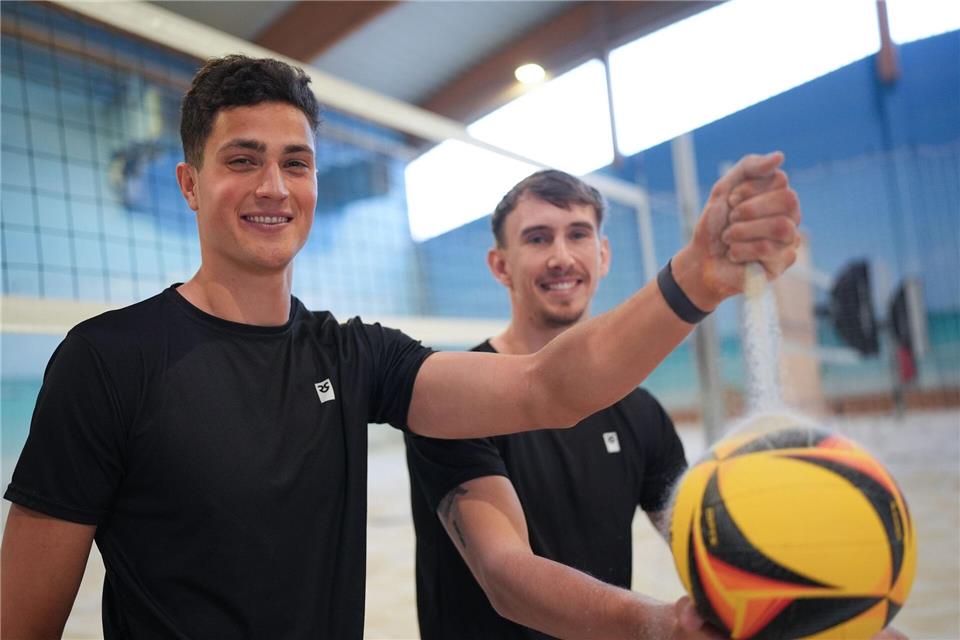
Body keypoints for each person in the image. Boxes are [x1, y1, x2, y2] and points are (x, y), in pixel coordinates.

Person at [1, 55, 802, 639]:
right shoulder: (107, 360)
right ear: (189, 184)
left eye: (295, 163)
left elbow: (546, 388)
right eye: (243, 160)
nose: (274, 186)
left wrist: (695, 280)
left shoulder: (355, 359)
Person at [404, 170, 693, 639]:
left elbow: (698, 545)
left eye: (578, 234)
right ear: (501, 265)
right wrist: (662, 625)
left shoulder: (642, 412)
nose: (561, 258)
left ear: (602, 255)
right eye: (538, 238)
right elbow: (505, 577)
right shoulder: (451, 394)